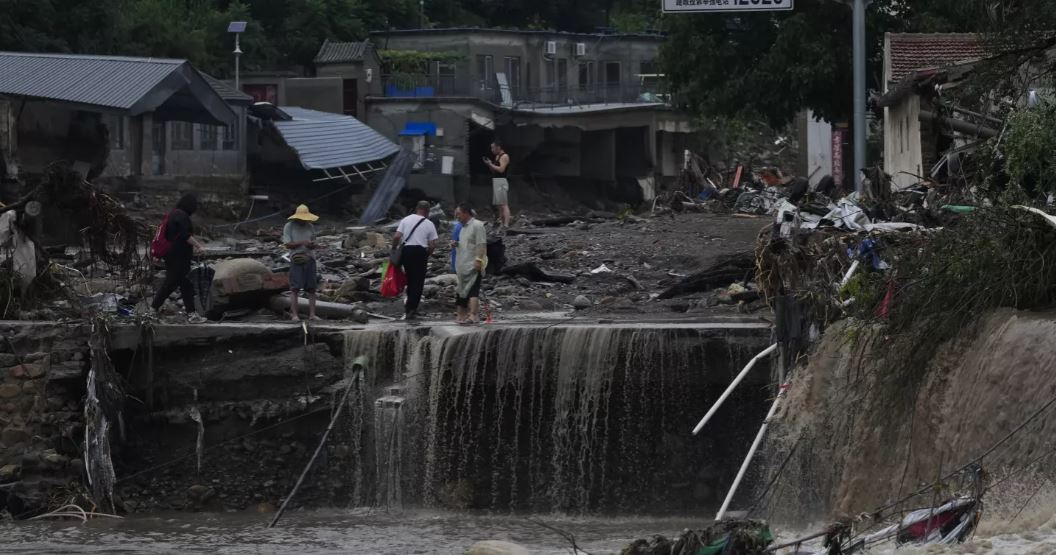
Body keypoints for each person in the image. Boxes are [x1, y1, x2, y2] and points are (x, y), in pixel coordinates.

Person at [152, 194, 204, 320]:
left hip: (172, 256)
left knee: (186, 284)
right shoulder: (182, 216)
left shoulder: (173, 214)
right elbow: (185, 235)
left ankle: (191, 314)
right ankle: (152, 309)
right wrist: (199, 246)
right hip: (178, 257)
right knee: (171, 284)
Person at [392, 200, 438, 321]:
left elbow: (396, 236)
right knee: (418, 282)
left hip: (407, 251)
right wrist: (427, 254)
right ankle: (412, 309)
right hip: (420, 252)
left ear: (416, 208)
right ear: (427, 211)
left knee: (409, 278)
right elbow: (433, 245)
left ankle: (408, 308)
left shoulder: (406, 220)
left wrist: (393, 249)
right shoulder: (429, 223)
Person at [283, 204, 320, 321]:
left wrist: (312, 245)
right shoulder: (289, 226)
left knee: (312, 288)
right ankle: (295, 315)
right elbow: (287, 244)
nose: (303, 221)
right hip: (297, 259)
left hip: (310, 258)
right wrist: (302, 242)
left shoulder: (310, 226)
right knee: (295, 288)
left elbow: (314, 241)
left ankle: (312, 314)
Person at [453, 203, 487, 324]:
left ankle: (474, 315)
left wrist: (479, 259)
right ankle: (461, 315)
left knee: (473, 290)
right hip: (462, 264)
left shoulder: (477, 225)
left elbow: (481, 244)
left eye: (458, 214)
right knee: (461, 290)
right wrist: (456, 244)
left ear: (466, 213)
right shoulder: (462, 228)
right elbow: (466, 244)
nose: (456, 216)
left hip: (473, 263)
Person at [484, 141, 511, 228]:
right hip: (496, 180)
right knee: (499, 205)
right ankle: (501, 223)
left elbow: (501, 170)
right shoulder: (497, 157)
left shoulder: (504, 156)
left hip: (502, 181)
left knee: (504, 204)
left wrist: (491, 164)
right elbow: (494, 171)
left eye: (493, 147)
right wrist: (489, 165)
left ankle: (506, 224)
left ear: (498, 147)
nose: (492, 150)